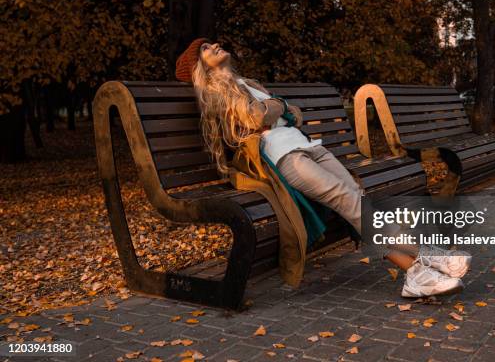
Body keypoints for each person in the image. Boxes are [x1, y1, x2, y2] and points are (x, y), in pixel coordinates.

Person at [175, 38, 472, 297]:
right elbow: (257, 118)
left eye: (211, 43)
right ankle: (429, 257)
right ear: (200, 65)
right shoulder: (217, 94)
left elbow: (295, 114)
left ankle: (415, 275)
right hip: (286, 157)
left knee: (356, 197)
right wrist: (279, 108)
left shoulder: (247, 84)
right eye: (204, 48)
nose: (213, 45)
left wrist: (276, 109)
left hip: (309, 146)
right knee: (350, 201)